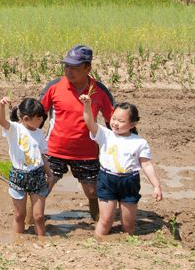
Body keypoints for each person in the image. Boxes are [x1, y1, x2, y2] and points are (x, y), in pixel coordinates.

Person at [40, 44, 115, 221]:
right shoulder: (54, 87)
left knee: (92, 191)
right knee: (42, 189)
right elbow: (37, 114)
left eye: (74, 67)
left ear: (88, 67)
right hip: (54, 149)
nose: (69, 71)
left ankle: (100, 223)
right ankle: (28, 224)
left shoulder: (100, 91)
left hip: (87, 153)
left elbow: (113, 121)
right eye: (66, 66)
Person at [80, 96, 162, 238]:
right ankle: (96, 243)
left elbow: (146, 164)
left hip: (129, 182)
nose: (115, 123)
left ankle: (127, 245)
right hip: (107, 179)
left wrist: (156, 185)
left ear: (133, 123)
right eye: (114, 118)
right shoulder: (105, 134)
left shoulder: (139, 142)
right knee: (105, 220)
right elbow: (89, 122)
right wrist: (87, 105)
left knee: (128, 224)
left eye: (121, 121)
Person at [0, 97, 54, 236]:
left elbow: (41, 156)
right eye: (39, 117)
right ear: (27, 118)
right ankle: (18, 244)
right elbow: (1, 121)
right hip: (18, 176)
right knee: (19, 215)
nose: (42, 120)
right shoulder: (15, 129)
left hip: (37, 176)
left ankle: (42, 242)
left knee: (39, 216)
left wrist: (50, 174)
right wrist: (1, 106)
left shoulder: (39, 133)